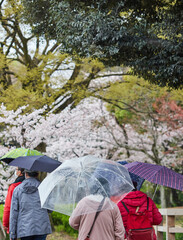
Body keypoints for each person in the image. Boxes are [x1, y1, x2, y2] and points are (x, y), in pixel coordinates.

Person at [9, 169, 52, 240]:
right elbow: (50, 209)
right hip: (41, 227)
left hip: (24, 229)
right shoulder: (44, 188)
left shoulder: (17, 190)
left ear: (25, 174)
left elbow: (14, 213)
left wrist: (12, 234)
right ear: (37, 174)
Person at [3, 167, 25, 234]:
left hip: (17, 223)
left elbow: (8, 206)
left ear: (20, 172)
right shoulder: (37, 186)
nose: (15, 171)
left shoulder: (14, 187)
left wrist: (5, 223)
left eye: (16, 169)